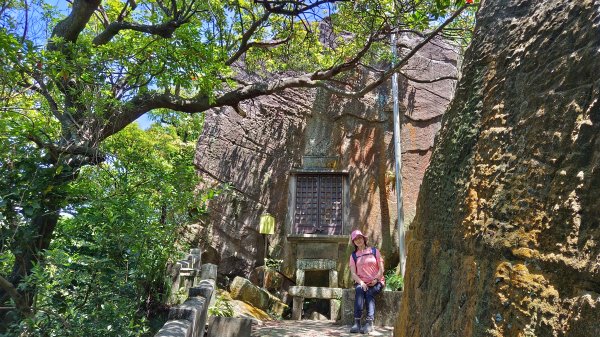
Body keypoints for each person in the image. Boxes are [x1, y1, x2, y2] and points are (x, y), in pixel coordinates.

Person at [348, 229, 385, 334]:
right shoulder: (353, 256)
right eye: (355, 239)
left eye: (359, 238)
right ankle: (357, 323)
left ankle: (369, 322)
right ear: (354, 242)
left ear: (363, 239)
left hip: (377, 281)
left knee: (369, 293)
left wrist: (376, 279)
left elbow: (381, 269)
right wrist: (361, 283)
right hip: (362, 282)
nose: (358, 240)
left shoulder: (374, 251)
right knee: (359, 291)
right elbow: (353, 274)